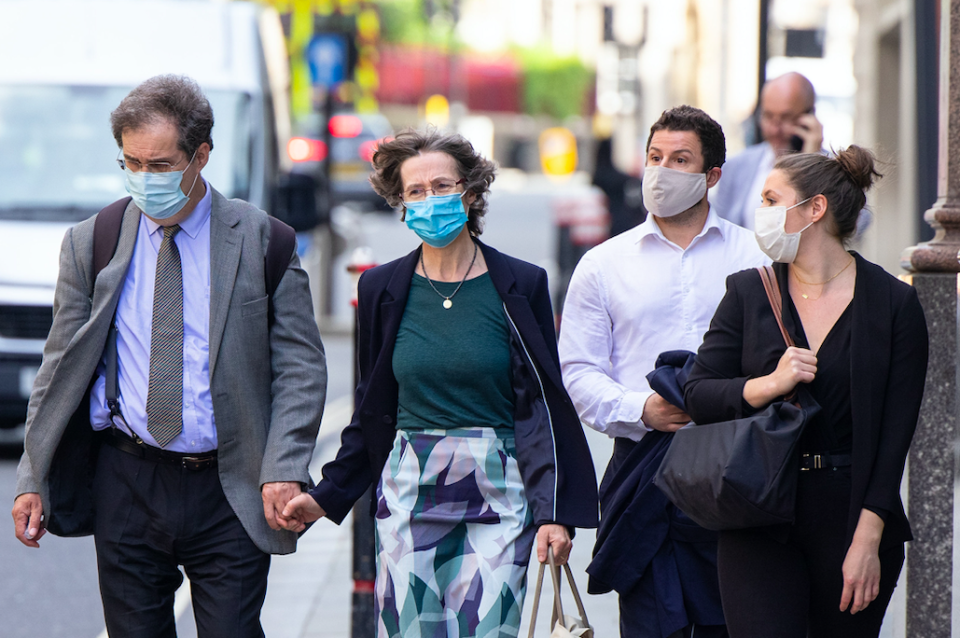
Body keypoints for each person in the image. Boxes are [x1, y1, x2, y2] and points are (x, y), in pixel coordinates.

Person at [11, 75, 327, 637]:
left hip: (229, 485)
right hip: (128, 479)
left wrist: (283, 467)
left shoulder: (264, 242)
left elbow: (301, 367)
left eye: (159, 165)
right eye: (131, 162)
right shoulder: (93, 241)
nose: (143, 178)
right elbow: (58, 366)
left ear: (200, 156)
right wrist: (33, 476)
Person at [281, 129, 599, 636]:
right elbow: (372, 409)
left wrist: (554, 513)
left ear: (471, 192)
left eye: (442, 186)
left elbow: (540, 409)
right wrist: (328, 495)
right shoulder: (381, 288)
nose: (430, 200)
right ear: (400, 204)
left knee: (490, 628)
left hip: (501, 492)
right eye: (415, 191)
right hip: (410, 491)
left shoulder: (522, 283)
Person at [683, 146, 928, 637]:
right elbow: (697, 393)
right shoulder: (749, 293)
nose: (762, 214)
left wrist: (868, 536)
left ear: (815, 209)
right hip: (758, 509)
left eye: (773, 200)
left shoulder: (892, 303)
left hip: (850, 515)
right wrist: (768, 384)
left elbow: (895, 437)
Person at [558, 105, 768, 638]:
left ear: (711, 176)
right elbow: (579, 370)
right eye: (655, 157)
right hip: (643, 468)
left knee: (734, 617)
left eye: (680, 160)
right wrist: (641, 410)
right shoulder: (604, 263)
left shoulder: (757, 257)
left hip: (734, 468)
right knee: (651, 620)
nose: (662, 171)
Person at [711, 72, 824, 230]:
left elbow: (854, 227)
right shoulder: (737, 167)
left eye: (785, 118)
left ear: (809, 117)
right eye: (768, 116)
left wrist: (813, 162)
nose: (775, 129)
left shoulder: (832, 169)